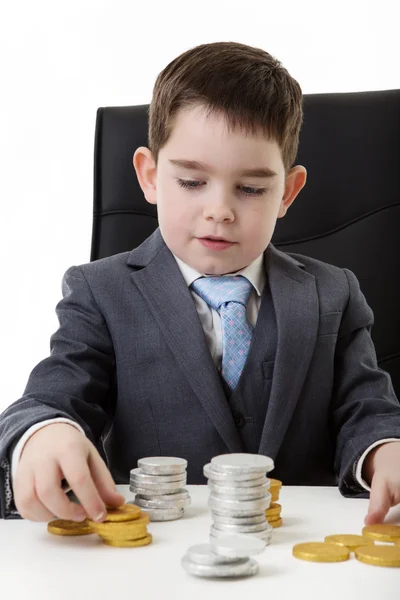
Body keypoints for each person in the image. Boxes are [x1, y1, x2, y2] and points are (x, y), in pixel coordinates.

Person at [1, 41, 399, 526]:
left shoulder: (333, 293)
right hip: (155, 556)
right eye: (191, 182)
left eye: (251, 189)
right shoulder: (99, 292)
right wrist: (43, 432)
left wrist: (386, 450)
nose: (220, 210)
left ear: (287, 193)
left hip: (296, 553)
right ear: (149, 177)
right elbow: (52, 396)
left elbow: (367, 409)